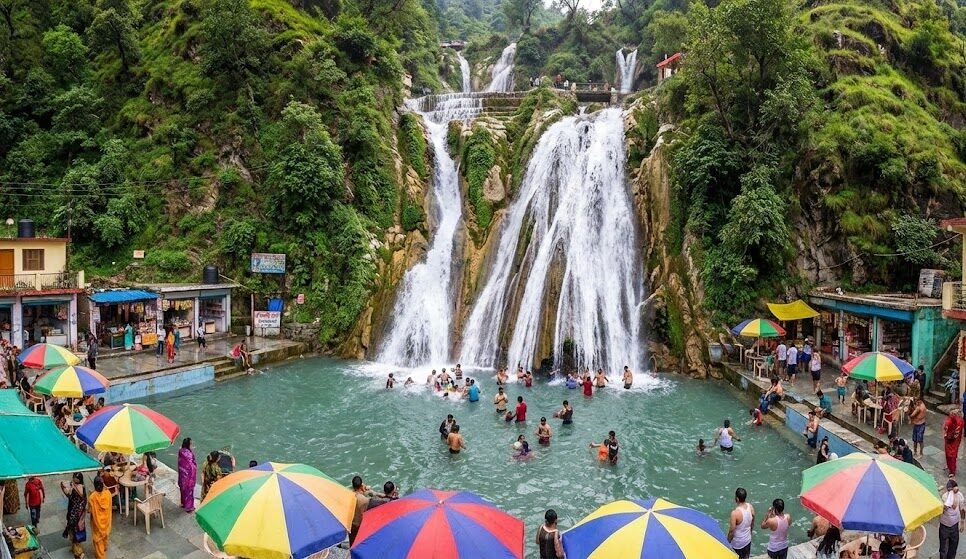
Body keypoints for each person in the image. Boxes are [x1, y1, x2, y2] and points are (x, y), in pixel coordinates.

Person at [61, 473, 87, 559]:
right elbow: (70, 496)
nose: (74, 479)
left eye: (76, 478)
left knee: (76, 533)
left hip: (77, 515)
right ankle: (74, 549)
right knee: (73, 532)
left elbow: (82, 501)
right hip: (73, 512)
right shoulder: (74, 486)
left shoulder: (80, 488)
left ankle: (79, 553)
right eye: (74, 477)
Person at [939, 479, 964, 559]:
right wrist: (947, 506)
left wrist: (962, 522)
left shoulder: (959, 496)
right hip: (944, 526)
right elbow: (941, 510)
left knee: (953, 547)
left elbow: (962, 509)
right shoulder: (944, 496)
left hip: (954, 526)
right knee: (943, 549)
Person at [88, 477, 112, 559]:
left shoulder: (92, 497)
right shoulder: (108, 494)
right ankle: (105, 547)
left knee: (98, 541)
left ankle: (101, 556)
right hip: (106, 521)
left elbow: (89, 511)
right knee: (105, 535)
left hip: (97, 524)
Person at [728, 487, 754, 559]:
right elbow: (753, 521)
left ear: (737, 499)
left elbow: (731, 531)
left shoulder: (735, 513)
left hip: (737, 544)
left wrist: (727, 542)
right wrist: (750, 532)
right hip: (747, 540)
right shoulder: (750, 507)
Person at [177, 438, 197, 512]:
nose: (192, 444)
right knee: (189, 491)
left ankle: (183, 503)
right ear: (188, 444)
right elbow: (191, 466)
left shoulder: (181, 451)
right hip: (188, 476)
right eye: (191, 443)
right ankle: (189, 507)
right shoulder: (188, 453)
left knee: (183, 489)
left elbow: (181, 462)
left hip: (182, 474)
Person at [349, 476, 369, 546]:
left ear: (352, 485)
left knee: (351, 541)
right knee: (360, 542)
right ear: (361, 485)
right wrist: (364, 490)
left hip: (351, 523)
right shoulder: (364, 500)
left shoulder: (348, 495)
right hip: (359, 524)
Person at [945, 409, 964, 477]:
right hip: (951, 440)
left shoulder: (956, 421)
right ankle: (950, 467)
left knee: (951, 456)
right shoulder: (958, 420)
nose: (951, 413)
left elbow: (946, 428)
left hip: (953, 441)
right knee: (949, 454)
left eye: (953, 412)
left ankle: (952, 470)